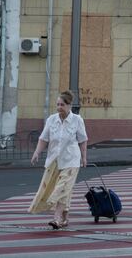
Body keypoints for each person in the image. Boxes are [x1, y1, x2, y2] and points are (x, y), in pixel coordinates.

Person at [29, 90, 88, 229]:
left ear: (69, 105)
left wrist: (84, 157)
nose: (59, 107)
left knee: (62, 187)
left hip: (71, 160)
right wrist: (37, 152)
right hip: (54, 159)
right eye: (57, 104)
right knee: (64, 190)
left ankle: (56, 219)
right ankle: (65, 219)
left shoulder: (77, 120)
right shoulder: (51, 119)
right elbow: (44, 138)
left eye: (62, 104)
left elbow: (83, 140)